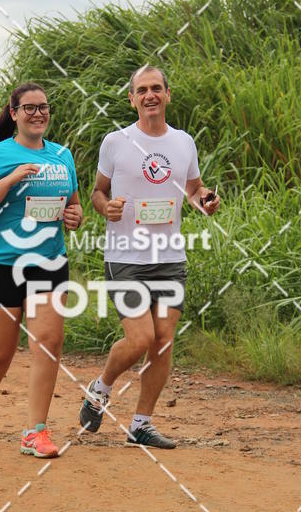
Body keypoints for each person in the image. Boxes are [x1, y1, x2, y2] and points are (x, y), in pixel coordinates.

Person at [79, 65, 221, 448]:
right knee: (140, 338)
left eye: (156, 88)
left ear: (168, 94)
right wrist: (105, 207)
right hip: (125, 255)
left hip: (169, 257)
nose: (150, 95)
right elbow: (97, 192)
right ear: (132, 99)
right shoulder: (115, 142)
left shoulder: (183, 142)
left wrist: (204, 201)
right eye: (142, 90)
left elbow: (192, 188)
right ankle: (100, 387)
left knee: (163, 342)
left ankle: (141, 424)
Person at [0, 82, 82, 457]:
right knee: (2, 350)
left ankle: (35, 432)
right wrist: (14, 177)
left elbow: (73, 207)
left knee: (49, 342)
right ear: (13, 114)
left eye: (43, 107)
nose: (38, 113)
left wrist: (74, 217)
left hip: (47, 260)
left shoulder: (63, 156)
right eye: (28, 108)